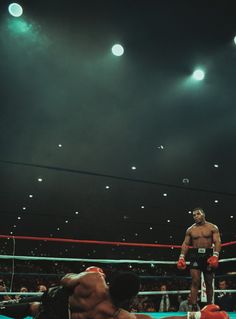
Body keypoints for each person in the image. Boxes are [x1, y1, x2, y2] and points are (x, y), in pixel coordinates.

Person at [0, 266, 229, 319]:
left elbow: (64, 280)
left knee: (35, 306)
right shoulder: (118, 315)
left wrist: (86, 273)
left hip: (56, 302)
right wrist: (197, 316)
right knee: (39, 308)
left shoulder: (93, 279)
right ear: (130, 297)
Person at [177, 208, 221, 310]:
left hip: (208, 255)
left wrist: (215, 255)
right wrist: (181, 257)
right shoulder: (190, 229)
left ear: (203, 214)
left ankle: (210, 307)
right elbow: (186, 243)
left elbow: (217, 241)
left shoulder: (212, 227)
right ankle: (193, 307)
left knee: (209, 282)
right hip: (195, 255)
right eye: (194, 215)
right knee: (195, 281)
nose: (196, 216)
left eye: (198, 214)